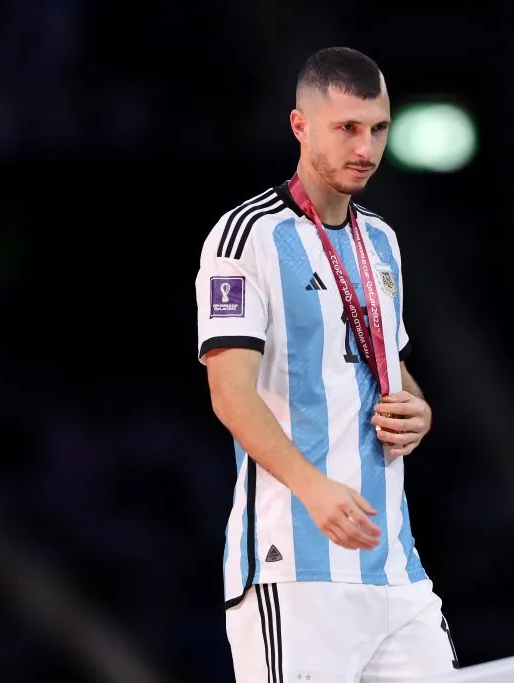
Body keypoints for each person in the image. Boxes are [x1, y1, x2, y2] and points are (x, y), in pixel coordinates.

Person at [194, 46, 459, 683]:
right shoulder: (247, 237)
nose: (365, 147)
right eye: (346, 128)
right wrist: (312, 487)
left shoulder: (383, 240)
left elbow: (384, 363)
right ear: (300, 125)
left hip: (395, 567)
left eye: (378, 128)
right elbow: (230, 394)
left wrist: (416, 406)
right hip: (296, 568)